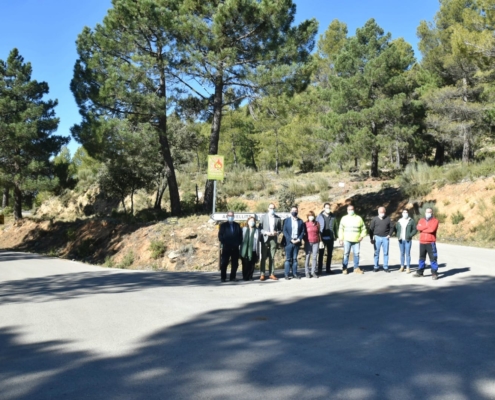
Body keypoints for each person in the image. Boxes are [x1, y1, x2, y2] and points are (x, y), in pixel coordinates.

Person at [338, 204, 367, 274]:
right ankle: (344, 268)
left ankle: (356, 268)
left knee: (356, 254)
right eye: (349, 209)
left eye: (352, 209)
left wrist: (362, 236)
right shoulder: (344, 218)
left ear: (354, 210)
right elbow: (341, 229)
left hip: (356, 240)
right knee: (346, 254)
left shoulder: (358, 218)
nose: (351, 211)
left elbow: (363, 228)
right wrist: (341, 239)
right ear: (347, 211)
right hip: (347, 240)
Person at [414, 207, 440, 280]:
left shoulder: (435, 221)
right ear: (425, 212)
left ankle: (434, 273)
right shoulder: (421, 220)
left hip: (430, 242)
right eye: (427, 212)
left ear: (432, 213)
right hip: (422, 242)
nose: (428, 213)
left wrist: (423, 228)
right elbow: (418, 227)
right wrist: (426, 227)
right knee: (421, 258)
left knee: (433, 258)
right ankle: (420, 272)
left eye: (429, 212)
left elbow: (432, 230)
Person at [259, 203, 282, 281]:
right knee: (263, 257)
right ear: (268, 208)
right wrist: (266, 232)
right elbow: (260, 229)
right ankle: (262, 274)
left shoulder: (278, 218)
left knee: (272, 257)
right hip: (265, 238)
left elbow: (280, 229)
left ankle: (271, 274)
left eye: (273, 208)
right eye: (271, 208)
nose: (272, 209)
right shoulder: (263, 217)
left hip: (273, 239)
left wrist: (277, 233)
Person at [218, 211, 243, 282]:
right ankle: (223, 277)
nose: (231, 217)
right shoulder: (223, 225)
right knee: (224, 263)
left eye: (232, 216)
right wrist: (224, 243)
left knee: (235, 263)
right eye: (229, 215)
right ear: (227, 216)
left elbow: (240, 236)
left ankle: (233, 277)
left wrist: (238, 243)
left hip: (235, 248)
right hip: (226, 247)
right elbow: (220, 236)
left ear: (234, 216)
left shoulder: (237, 225)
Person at [282, 206, 305, 280]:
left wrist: (299, 239)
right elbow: (284, 231)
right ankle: (286, 274)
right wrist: (290, 239)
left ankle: (295, 273)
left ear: (297, 211)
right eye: (293, 210)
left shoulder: (300, 221)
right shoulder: (287, 220)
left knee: (295, 259)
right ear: (290, 211)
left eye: (295, 210)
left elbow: (302, 231)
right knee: (288, 259)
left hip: (297, 242)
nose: (294, 211)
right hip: (289, 242)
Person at [316, 203, 338, 275]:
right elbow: (316, 227)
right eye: (326, 207)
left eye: (329, 207)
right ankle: (319, 269)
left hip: (330, 238)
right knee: (321, 254)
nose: (328, 209)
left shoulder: (333, 216)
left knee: (330, 254)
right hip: (322, 239)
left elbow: (335, 226)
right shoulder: (319, 216)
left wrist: (336, 235)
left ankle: (328, 269)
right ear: (323, 208)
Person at [369, 206, 393, 273]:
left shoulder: (388, 219)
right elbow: (371, 229)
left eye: (383, 212)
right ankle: (376, 267)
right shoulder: (375, 219)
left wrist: (389, 234)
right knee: (376, 253)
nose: (382, 213)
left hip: (385, 238)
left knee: (386, 253)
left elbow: (392, 227)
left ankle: (385, 267)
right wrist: (371, 238)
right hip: (377, 238)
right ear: (378, 212)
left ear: (385, 212)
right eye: (380, 212)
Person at [394, 209, 417, 273]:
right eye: (404, 212)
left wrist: (410, 235)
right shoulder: (399, 221)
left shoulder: (411, 221)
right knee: (402, 253)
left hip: (408, 240)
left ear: (408, 213)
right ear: (402, 213)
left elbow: (415, 229)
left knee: (408, 254)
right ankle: (402, 266)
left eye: (406, 212)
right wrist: (398, 235)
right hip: (401, 240)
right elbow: (396, 229)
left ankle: (408, 267)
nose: (405, 213)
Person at [240, 216, 260, 281]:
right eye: (250, 221)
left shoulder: (257, 230)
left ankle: (250, 276)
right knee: (245, 264)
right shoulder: (244, 229)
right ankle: (245, 276)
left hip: (254, 249)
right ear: (248, 222)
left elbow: (259, 240)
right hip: (245, 250)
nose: (252, 222)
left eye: (253, 221)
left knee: (252, 264)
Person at [304, 211, 321, 278]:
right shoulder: (305, 224)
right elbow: (303, 233)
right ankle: (307, 272)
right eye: (310, 216)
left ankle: (313, 271)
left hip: (316, 242)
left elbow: (319, 233)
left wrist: (320, 241)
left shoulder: (317, 223)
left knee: (314, 257)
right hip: (308, 242)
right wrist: (305, 240)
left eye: (312, 216)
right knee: (307, 256)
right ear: (308, 217)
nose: (311, 217)